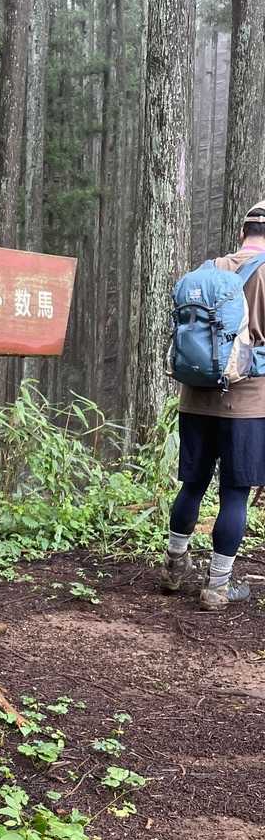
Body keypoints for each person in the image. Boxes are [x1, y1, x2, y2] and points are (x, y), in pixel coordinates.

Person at [161, 203, 265, 609]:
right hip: (246, 402)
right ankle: (218, 586)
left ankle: (173, 567)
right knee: (235, 494)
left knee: (193, 484)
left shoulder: (209, 269)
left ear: (242, 232)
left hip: (194, 398)